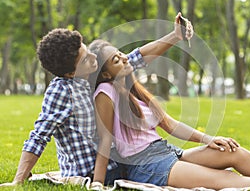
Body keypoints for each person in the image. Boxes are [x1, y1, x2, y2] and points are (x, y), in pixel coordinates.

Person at [0, 13, 193, 187]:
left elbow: (137, 57)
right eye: (85, 60)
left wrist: (175, 35)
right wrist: (18, 180)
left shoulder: (96, 74)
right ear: (70, 73)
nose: (92, 57)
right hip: (90, 174)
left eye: (87, 51)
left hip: (121, 168)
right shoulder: (60, 92)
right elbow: (39, 136)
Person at [90, 41, 250, 189]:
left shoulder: (133, 89)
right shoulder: (105, 92)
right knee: (224, 180)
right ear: (106, 74)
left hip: (165, 152)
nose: (124, 58)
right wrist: (98, 183)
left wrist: (208, 139)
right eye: (116, 60)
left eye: (120, 53)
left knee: (232, 152)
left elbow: (170, 124)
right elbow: (105, 139)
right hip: (146, 165)